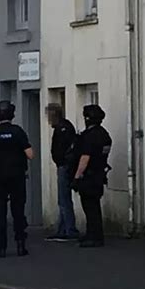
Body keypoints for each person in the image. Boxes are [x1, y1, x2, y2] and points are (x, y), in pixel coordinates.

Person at [0, 100, 34, 258]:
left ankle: (1, 248)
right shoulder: (18, 132)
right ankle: (20, 245)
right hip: (17, 176)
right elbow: (30, 155)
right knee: (18, 211)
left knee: (0, 211)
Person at [71, 104, 112, 248]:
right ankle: (92, 234)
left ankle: (94, 237)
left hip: (88, 175)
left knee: (90, 206)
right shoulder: (104, 134)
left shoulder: (89, 136)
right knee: (94, 205)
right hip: (100, 173)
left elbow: (85, 157)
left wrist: (77, 176)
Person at [46, 103, 79, 242]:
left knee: (64, 199)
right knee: (63, 199)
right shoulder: (65, 127)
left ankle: (69, 229)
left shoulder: (62, 129)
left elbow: (62, 149)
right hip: (65, 165)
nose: (47, 119)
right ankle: (63, 228)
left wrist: (61, 160)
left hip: (65, 166)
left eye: (49, 115)